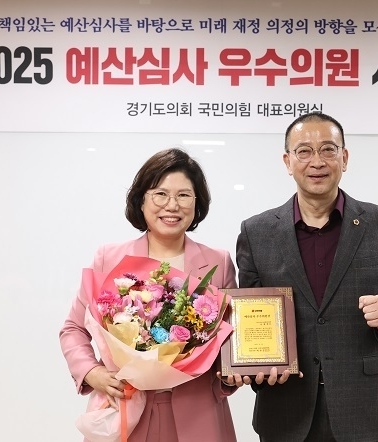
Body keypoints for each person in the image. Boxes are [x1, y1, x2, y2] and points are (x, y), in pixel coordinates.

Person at [236, 112, 378, 442]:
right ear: (288, 161)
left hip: (363, 404)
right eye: (304, 151)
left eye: (328, 149)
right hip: (285, 406)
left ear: (344, 158)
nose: (317, 161)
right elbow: (250, 315)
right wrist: (256, 366)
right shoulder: (257, 232)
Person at [60, 148, 245, 442]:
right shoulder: (109, 258)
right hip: (126, 407)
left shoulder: (218, 262)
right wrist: (91, 372)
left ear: (197, 203)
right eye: (160, 194)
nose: (172, 205)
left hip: (198, 413)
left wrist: (235, 373)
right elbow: (73, 329)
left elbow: (231, 339)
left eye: (184, 195)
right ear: (141, 200)